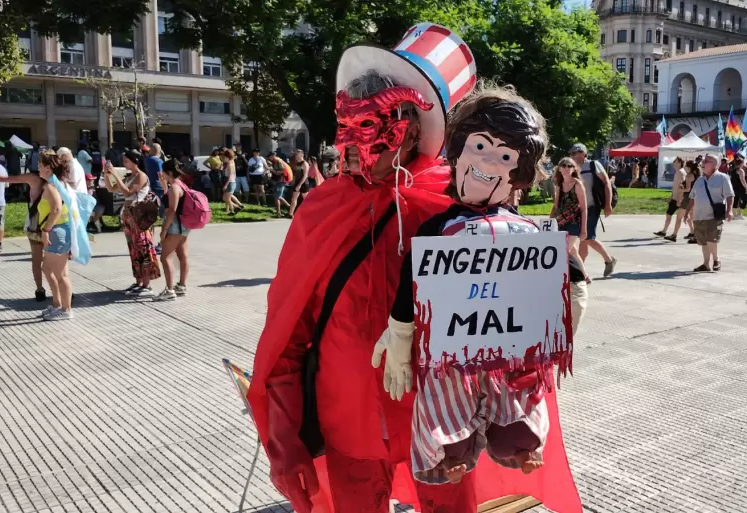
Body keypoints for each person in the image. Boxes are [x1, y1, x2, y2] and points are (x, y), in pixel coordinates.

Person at [248, 24, 579, 513]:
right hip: (349, 418)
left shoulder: (457, 204)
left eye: (379, 119)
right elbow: (288, 333)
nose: (359, 140)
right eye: (351, 119)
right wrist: (283, 443)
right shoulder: (322, 209)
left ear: (412, 127)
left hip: (443, 424)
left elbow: (510, 322)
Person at [382, 85, 586, 486]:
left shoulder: (532, 235)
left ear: (521, 174)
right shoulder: (438, 231)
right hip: (451, 351)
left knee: (517, 394)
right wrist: (399, 341)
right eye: (479, 146)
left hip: (510, 353)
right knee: (445, 399)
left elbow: (572, 282)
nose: (489, 162)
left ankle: (519, 445)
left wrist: (559, 329)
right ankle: (450, 454)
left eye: (506, 155)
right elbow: (411, 287)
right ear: (457, 154)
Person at [0, 153, 49, 299]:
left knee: (37, 260)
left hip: (36, 223)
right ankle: (62, 290)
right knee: (55, 261)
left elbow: (4, 179)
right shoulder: (61, 180)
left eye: (39, 163)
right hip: (55, 224)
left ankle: (40, 290)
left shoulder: (33, 178)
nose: (37, 165)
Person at [104, 150, 161, 298]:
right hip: (128, 216)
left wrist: (116, 175)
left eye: (126, 160)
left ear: (135, 161)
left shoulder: (141, 176)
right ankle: (139, 281)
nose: (124, 163)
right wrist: (107, 174)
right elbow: (111, 188)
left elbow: (128, 193)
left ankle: (147, 285)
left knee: (143, 248)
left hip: (139, 217)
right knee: (134, 249)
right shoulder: (131, 176)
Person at [37, 151, 75, 321]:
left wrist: (45, 231)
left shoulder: (52, 186)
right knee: (48, 269)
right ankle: (58, 304)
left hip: (57, 231)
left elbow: (57, 209)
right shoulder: (56, 183)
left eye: (40, 164)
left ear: (48, 167)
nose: (37, 166)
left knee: (60, 274)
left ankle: (66, 309)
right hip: (58, 231)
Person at [570, 143, 617, 277]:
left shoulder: (593, 165)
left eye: (575, 153)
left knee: (588, 238)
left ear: (583, 154)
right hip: (579, 208)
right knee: (583, 239)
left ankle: (609, 260)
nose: (572, 156)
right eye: (571, 154)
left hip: (592, 206)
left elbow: (607, 183)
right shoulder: (573, 168)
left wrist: (608, 205)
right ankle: (580, 270)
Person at [687, 153, 734, 272]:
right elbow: (692, 197)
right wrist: (687, 212)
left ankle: (716, 259)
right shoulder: (699, 180)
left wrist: (729, 210)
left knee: (711, 239)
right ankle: (706, 264)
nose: (703, 163)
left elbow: (729, 195)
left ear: (714, 165)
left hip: (714, 216)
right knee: (703, 241)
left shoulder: (723, 178)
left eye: (706, 161)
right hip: (699, 215)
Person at [154, 160, 190, 301]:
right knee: (183, 255)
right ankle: (181, 286)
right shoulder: (181, 184)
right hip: (185, 226)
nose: (161, 174)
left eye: (163, 171)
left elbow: (172, 210)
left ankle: (169, 290)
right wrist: (164, 185)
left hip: (175, 226)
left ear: (168, 172)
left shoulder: (174, 187)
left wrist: (164, 229)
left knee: (165, 257)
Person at [552, 157, 589, 265]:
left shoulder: (577, 184)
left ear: (574, 169)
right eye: (564, 165)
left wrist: (583, 230)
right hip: (561, 222)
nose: (566, 168)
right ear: (559, 169)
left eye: (570, 166)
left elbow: (584, 208)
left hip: (574, 223)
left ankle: (561, 278)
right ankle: (585, 275)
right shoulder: (559, 184)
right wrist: (551, 221)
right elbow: (556, 206)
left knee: (564, 251)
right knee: (573, 251)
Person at [654, 157, 686, 241]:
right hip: (675, 197)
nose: (673, 163)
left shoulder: (681, 172)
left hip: (677, 199)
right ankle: (664, 231)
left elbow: (683, 186)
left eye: (675, 162)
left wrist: (679, 199)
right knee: (686, 217)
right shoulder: (678, 172)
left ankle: (665, 231)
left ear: (679, 162)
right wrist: (671, 196)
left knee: (670, 214)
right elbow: (675, 186)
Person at [679, 162, 699, 244]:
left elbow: (688, 189)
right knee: (692, 216)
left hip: (689, 197)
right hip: (696, 196)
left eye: (686, 166)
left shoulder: (689, 176)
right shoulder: (697, 174)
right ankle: (692, 232)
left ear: (689, 167)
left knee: (689, 216)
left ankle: (695, 234)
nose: (685, 168)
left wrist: (680, 189)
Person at [286, 149, 309, 218]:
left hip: (304, 183)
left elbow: (305, 175)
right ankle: (290, 214)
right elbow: (296, 174)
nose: (296, 155)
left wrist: (300, 184)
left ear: (302, 154)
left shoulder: (305, 163)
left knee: (306, 199)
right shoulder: (297, 163)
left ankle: (309, 213)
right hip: (297, 182)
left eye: (297, 154)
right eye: (296, 154)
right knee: (294, 198)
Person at [269, 152, 293, 217]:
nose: (269, 158)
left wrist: (273, 171)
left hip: (282, 180)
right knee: (277, 196)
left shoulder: (278, 161)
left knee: (278, 196)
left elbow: (282, 171)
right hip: (280, 180)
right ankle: (279, 212)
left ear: (273, 156)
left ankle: (289, 207)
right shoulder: (277, 160)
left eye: (270, 156)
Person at [221, 149, 245, 214]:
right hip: (231, 181)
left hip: (230, 182)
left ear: (227, 157)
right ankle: (232, 209)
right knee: (228, 197)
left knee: (226, 198)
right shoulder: (232, 162)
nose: (224, 158)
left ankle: (235, 208)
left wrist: (226, 185)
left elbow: (230, 175)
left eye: (224, 157)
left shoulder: (230, 164)